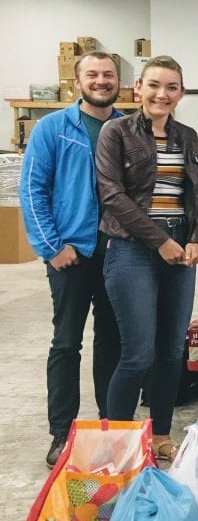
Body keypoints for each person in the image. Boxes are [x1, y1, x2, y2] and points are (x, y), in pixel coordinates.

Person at [95, 56, 198, 463]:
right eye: (155, 85)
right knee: (137, 352)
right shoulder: (116, 132)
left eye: (172, 87)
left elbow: (196, 195)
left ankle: (159, 433)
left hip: (179, 248)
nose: (163, 94)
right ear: (138, 88)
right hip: (132, 248)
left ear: (181, 93)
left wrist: (195, 240)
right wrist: (160, 241)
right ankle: (119, 440)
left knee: (172, 351)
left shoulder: (188, 136)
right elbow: (112, 194)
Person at [20, 52, 123, 467]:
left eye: (108, 75)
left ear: (119, 82)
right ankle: (62, 433)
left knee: (113, 342)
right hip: (72, 254)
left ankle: (111, 426)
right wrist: (52, 247)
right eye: (93, 75)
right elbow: (32, 190)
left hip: (118, 253)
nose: (101, 81)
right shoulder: (53, 129)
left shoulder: (125, 127)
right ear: (77, 81)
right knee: (66, 342)